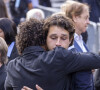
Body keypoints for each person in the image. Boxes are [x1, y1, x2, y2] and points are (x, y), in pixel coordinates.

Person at [5, 15, 100, 90]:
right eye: (53, 38)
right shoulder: (58, 57)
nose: (58, 43)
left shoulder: (12, 65)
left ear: (71, 40)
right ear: (44, 40)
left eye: (63, 38)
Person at [61, 1, 94, 90]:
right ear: (75, 17)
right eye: (86, 18)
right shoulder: (66, 42)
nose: (88, 22)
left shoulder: (80, 39)